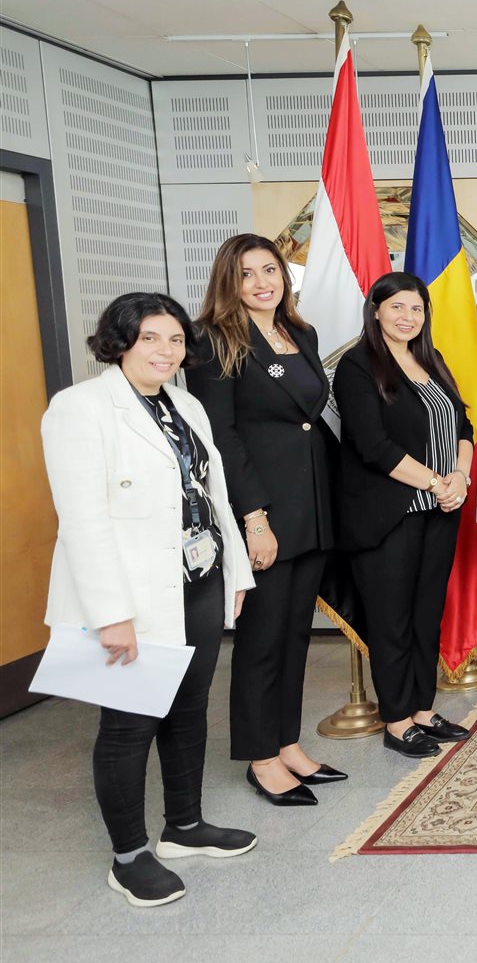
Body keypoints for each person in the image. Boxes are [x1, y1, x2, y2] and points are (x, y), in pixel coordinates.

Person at [42, 292, 257, 907]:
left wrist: (236, 575)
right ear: (119, 343)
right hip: (131, 597)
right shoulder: (80, 408)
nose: (166, 351)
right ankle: (129, 856)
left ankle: (184, 826)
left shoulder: (186, 404)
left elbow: (212, 495)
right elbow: (82, 521)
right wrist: (111, 616)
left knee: (189, 710)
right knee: (129, 725)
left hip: (197, 583)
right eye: (150, 339)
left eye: (176, 340)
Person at [187, 234, 343, 807]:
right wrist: (254, 519)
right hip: (262, 508)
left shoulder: (301, 333)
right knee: (262, 638)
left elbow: (310, 419)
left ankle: (287, 743)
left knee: (295, 634)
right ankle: (260, 757)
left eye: (270, 270)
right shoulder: (213, 341)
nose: (261, 283)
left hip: (311, 504)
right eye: (247, 273)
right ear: (229, 281)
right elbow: (221, 437)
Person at [333, 273, 474, 760]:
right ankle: (396, 719)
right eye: (396, 307)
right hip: (388, 514)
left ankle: (422, 710)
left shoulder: (431, 359)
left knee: (426, 616)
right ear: (376, 310)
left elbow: (464, 425)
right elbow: (373, 446)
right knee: (390, 619)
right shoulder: (357, 365)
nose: (407, 317)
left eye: (416, 308)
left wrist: (460, 477)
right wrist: (436, 482)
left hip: (440, 511)